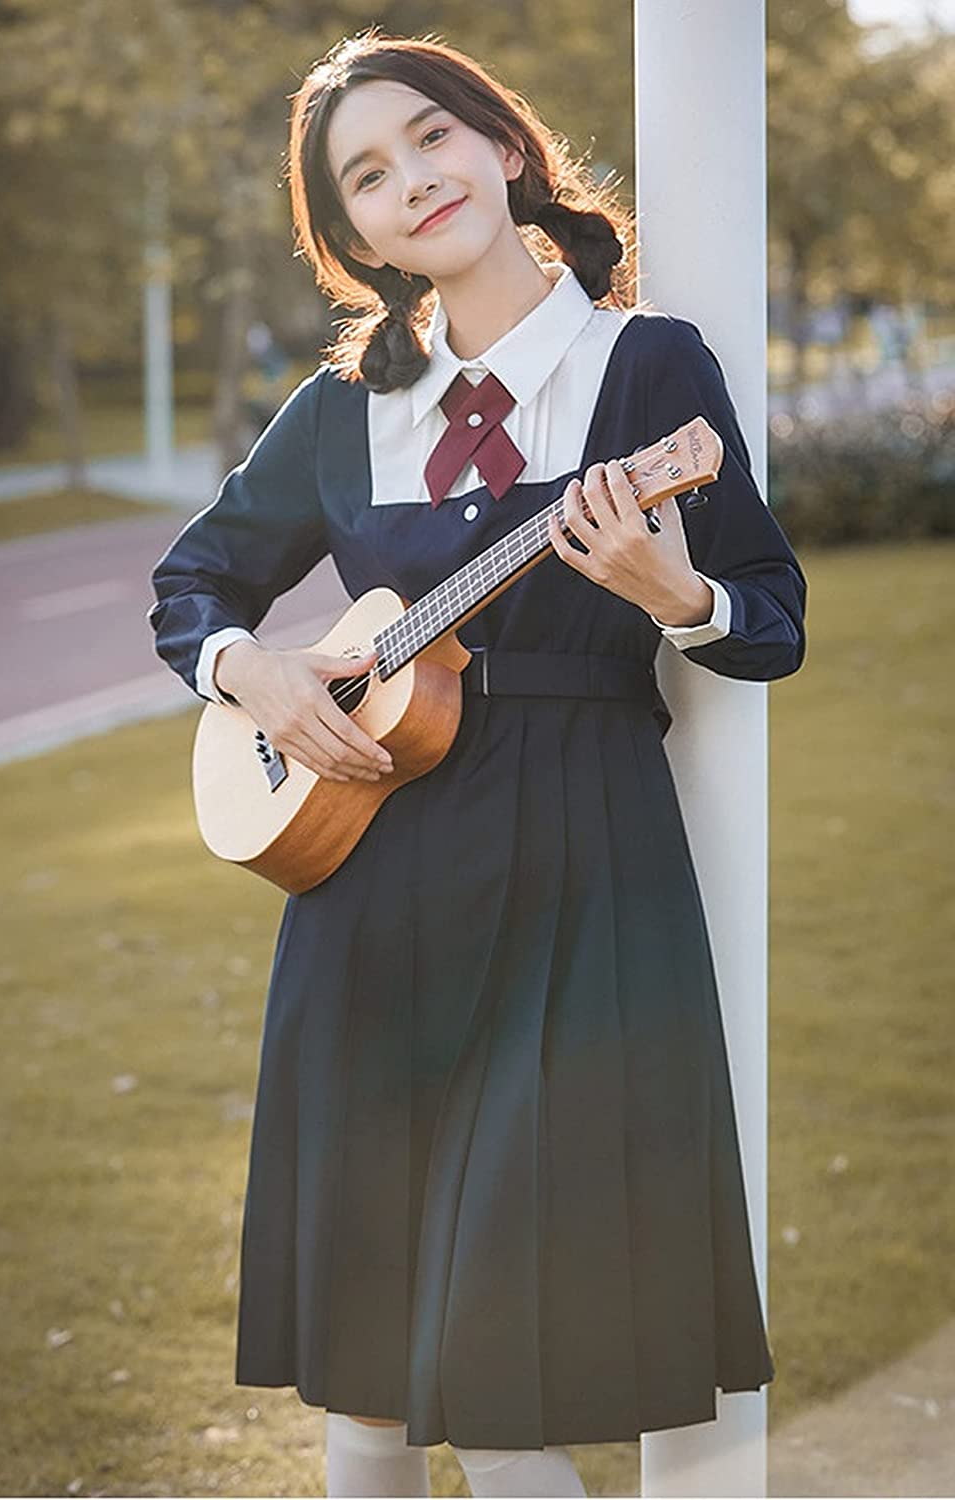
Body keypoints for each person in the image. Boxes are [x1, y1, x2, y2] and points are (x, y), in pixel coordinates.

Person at [147, 28, 807, 1499]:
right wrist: (253, 665)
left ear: (504, 146)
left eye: (429, 140)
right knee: (366, 1400)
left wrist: (671, 595)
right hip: (369, 891)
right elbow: (193, 588)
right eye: (366, 180)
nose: (412, 183)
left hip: (581, 878)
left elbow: (771, 621)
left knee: (513, 1398)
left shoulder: (649, 370)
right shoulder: (340, 411)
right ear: (356, 237)